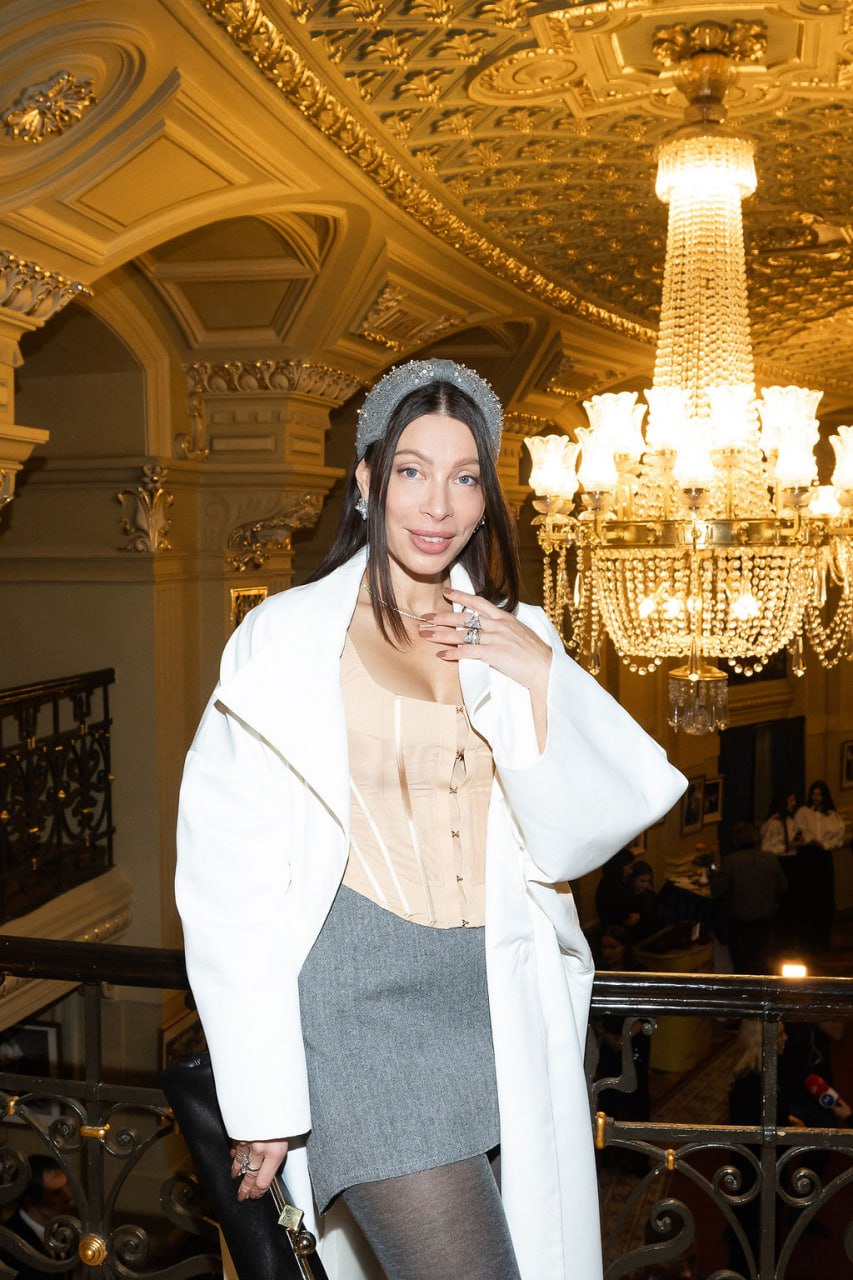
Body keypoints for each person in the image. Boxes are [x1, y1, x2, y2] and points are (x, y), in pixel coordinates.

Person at [175, 358, 686, 1280]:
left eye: (464, 477)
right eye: (411, 470)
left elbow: (588, 828)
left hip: (499, 993)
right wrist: (262, 1096)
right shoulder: (283, 637)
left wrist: (537, 667)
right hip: (359, 1003)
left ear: (487, 501)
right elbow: (226, 876)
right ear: (367, 480)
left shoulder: (520, 631)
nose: (437, 504)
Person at [709, 821, 787, 974]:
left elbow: (718, 891)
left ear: (735, 841)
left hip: (740, 920)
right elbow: (783, 887)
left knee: (741, 963)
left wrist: (713, 874)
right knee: (762, 960)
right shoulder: (770, 859)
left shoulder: (730, 861)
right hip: (766, 918)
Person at [0, 1156, 75, 1280]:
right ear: (31, 1201)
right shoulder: (9, 1242)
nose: (68, 1197)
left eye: (66, 1186)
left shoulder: (69, 1227)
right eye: (55, 1193)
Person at [795, 780, 846, 955]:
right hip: (807, 856)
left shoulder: (832, 815)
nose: (816, 797)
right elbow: (797, 832)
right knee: (808, 897)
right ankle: (807, 942)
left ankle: (822, 940)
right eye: (813, 794)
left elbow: (839, 837)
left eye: (819, 794)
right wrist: (807, 840)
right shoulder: (804, 812)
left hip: (823, 857)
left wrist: (825, 844)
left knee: (824, 897)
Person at [761, 788, 804, 950]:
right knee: (782, 903)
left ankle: (790, 939)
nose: (794, 803)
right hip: (781, 863)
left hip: (793, 863)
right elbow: (767, 848)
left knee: (792, 903)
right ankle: (780, 941)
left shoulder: (791, 821)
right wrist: (787, 846)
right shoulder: (774, 823)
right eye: (791, 800)